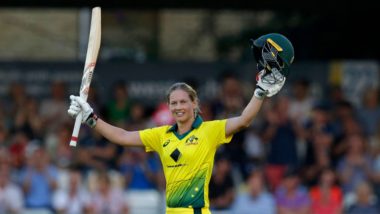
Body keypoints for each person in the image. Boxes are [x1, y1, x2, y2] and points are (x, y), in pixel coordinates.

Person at [67, 33, 294, 214]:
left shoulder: (209, 131)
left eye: (183, 102)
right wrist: (91, 118)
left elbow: (244, 119)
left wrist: (260, 93)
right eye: (173, 103)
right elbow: (123, 136)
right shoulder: (162, 135)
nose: (177, 107)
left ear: (195, 103)